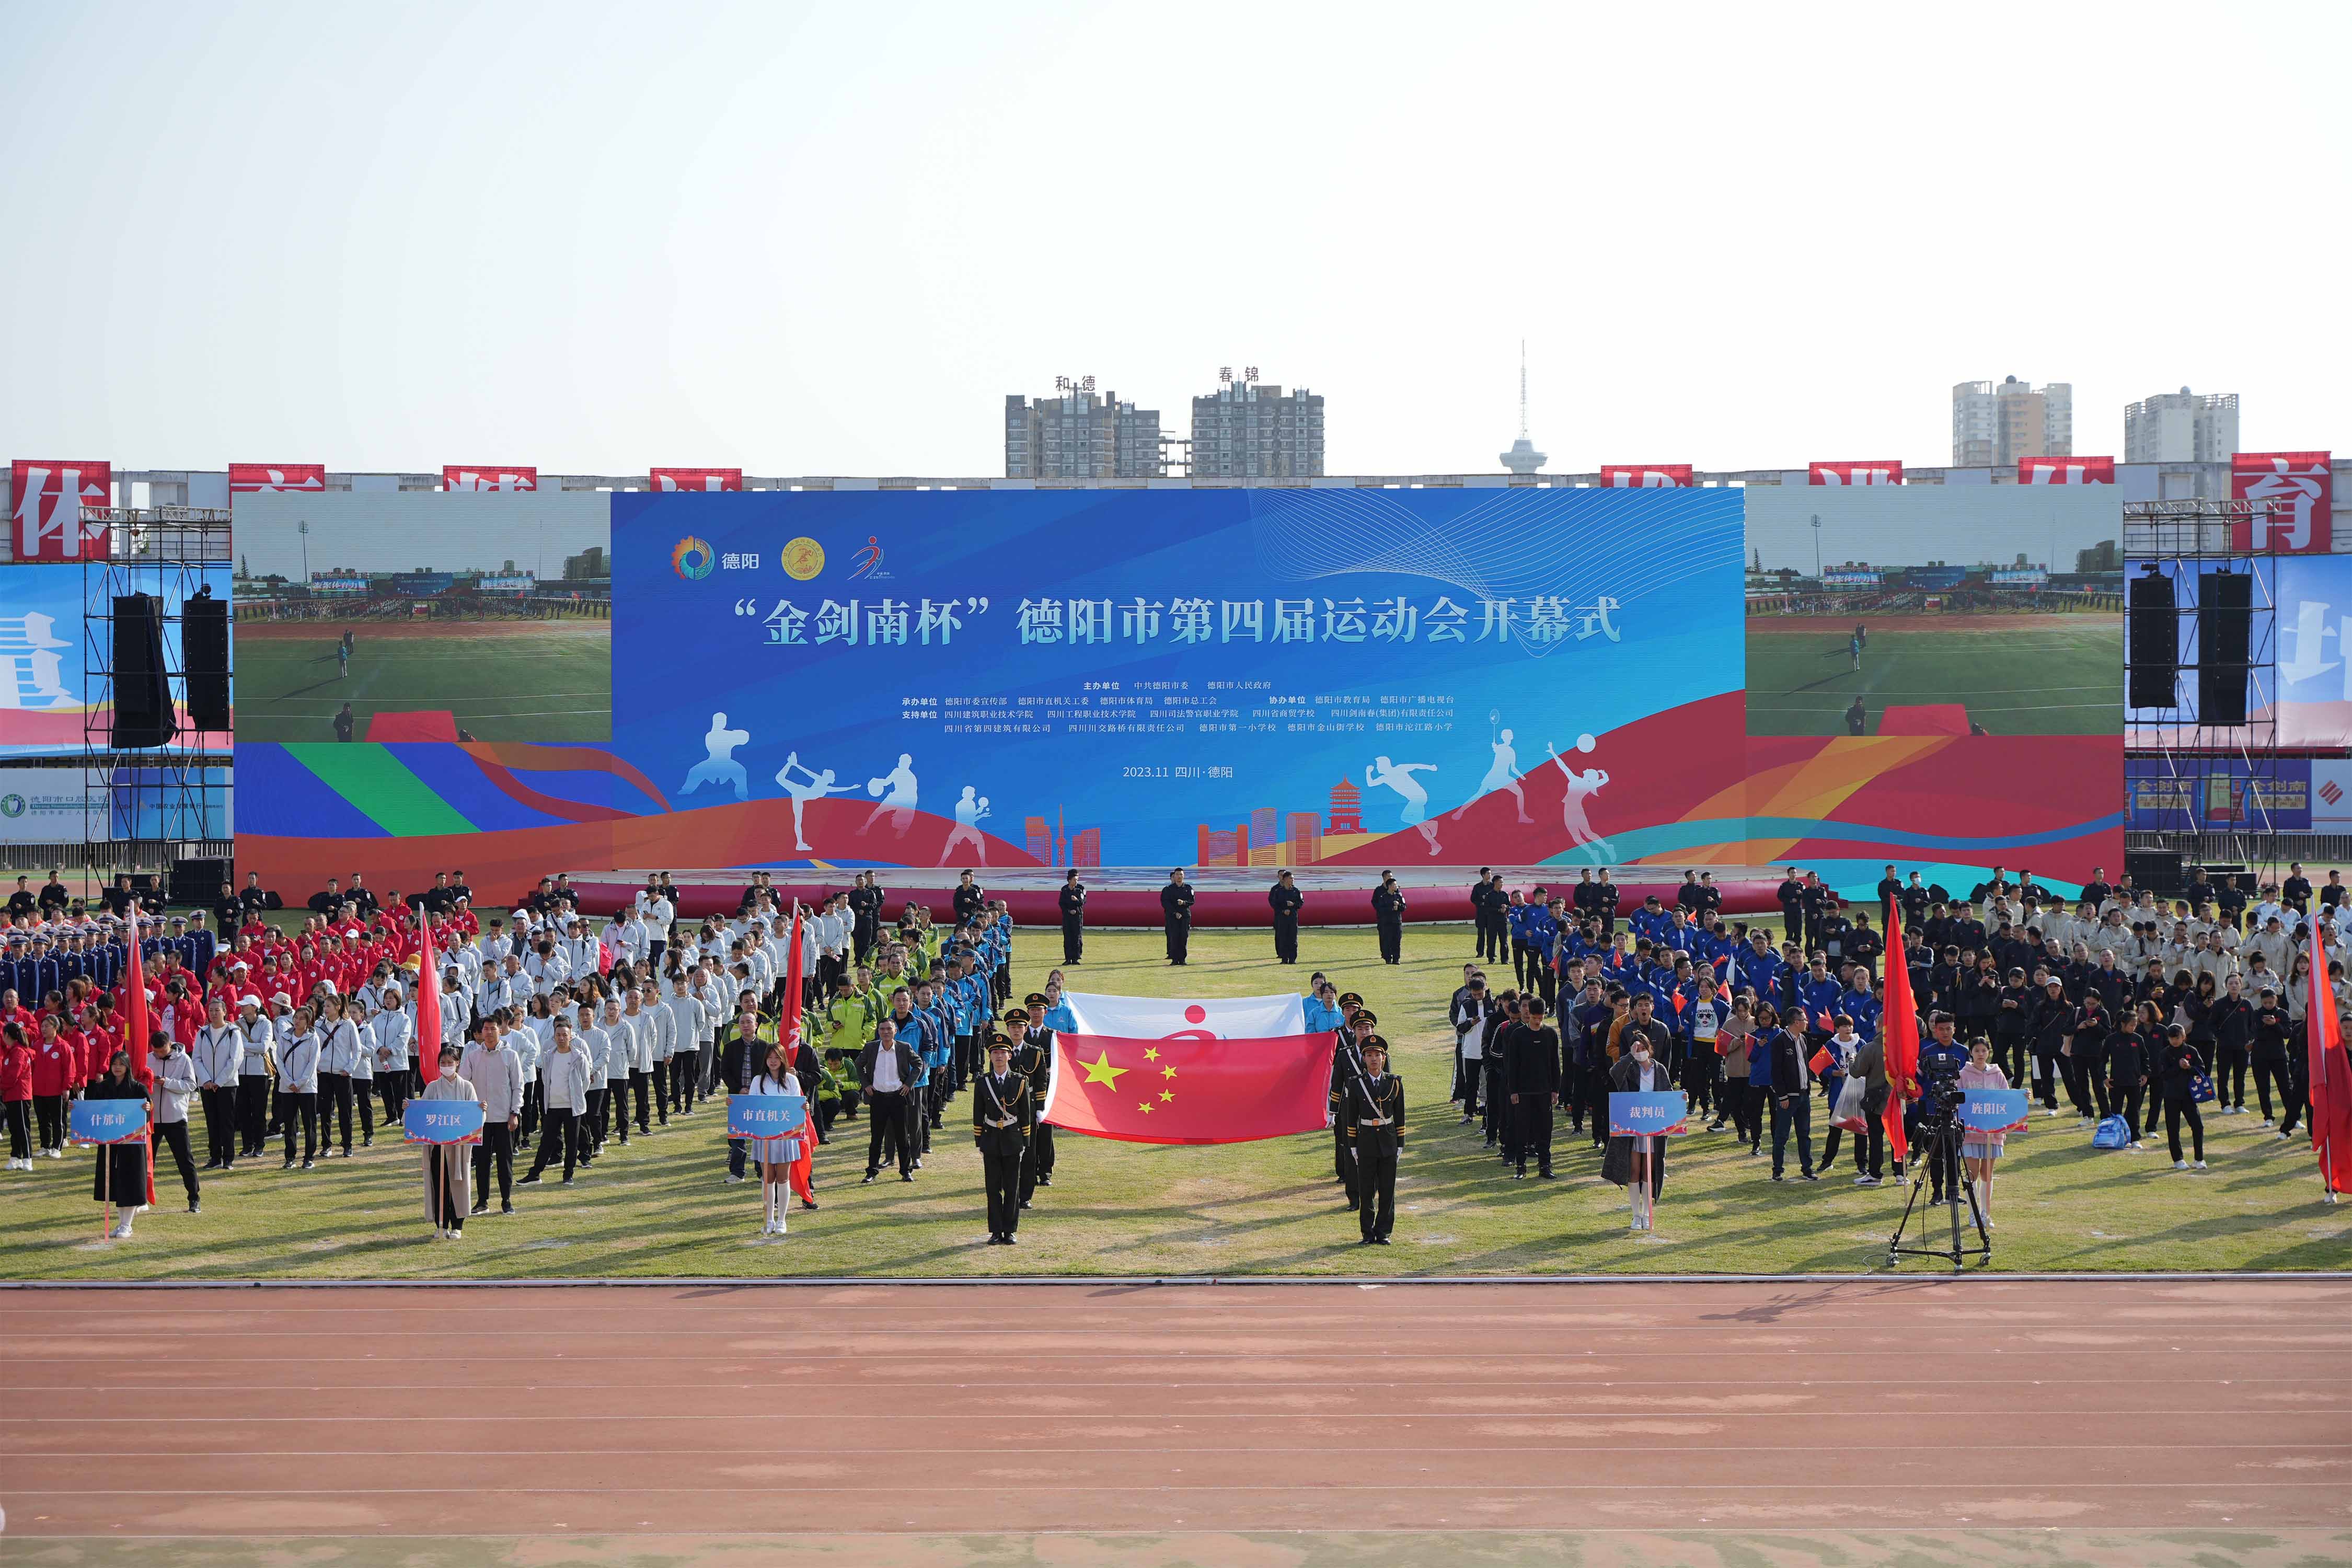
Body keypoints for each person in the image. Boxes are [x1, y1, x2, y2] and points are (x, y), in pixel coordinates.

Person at [1601, 1025, 1669, 1228]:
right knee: (1634, 1169)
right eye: (1636, 1048)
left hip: (1652, 1126)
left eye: (1642, 1048)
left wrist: (1682, 1099)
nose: (1640, 1052)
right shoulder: (1630, 1067)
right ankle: (1636, 1215)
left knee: (1650, 1170)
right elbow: (1614, 1072)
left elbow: (1668, 1093)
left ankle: (1647, 1214)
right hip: (1633, 1125)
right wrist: (1630, 1057)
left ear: (1650, 1048)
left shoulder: (1659, 1069)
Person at [1343, 1036, 1404, 1245]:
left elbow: (1400, 1116)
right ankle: (1367, 1233)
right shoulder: (1356, 1084)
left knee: (1388, 1189)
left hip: (1388, 1143)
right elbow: (1351, 1118)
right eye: (1369, 1055)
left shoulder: (1394, 1082)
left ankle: (1384, 1231)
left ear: (1384, 1058)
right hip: (1366, 1142)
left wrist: (1401, 1144)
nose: (1374, 1059)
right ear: (1364, 1059)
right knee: (1366, 1190)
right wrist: (1352, 1146)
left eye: (1377, 1055)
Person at [460, 1016, 523, 1215]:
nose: (488, 1033)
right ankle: (482, 1201)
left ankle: (506, 1200)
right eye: (485, 1029)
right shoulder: (472, 1056)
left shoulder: (510, 1055)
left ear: (500, 1030)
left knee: (505, 1161)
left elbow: (518, 1086)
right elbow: (463, 1083)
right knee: (481, 1162)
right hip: (480, 1119)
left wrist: (515, 1112)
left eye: (492, 1029)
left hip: (505, 1117)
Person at [974, 1034, 1032, 1244]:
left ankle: (1010, 1230)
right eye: (995, 1053)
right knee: (992, 1187)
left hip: (1012, 1140)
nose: (999, 1056)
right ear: (990, 1057)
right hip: (991, 1140)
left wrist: (1025, 1142)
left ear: (1009, 1056)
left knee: (1012, 1188)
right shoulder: (983, 1082)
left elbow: (1025, 1113)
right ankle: (995, 1231)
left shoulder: (1020, 1081)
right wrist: (979, 1141)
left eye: (1002, 1052)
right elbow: (978, 1113)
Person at [745, 1041, 806, 1236]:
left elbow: (797, 1107)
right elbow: (751, 1107)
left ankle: (782, 1220)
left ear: (782, 1060)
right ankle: (769, 1219)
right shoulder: (757, 1081)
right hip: (764, 1136)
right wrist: (733, 1102)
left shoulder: (791, 1080)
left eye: (777, 1057)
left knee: (782, 1178)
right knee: (767, 1178)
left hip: (785, 1136)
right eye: (770, 1058)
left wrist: (804, 1108)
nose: (773, 1061)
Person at [418, 1045, 479, 1239]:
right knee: (439, 1183)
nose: (446, 1066)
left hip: (459, 1146)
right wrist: (409, 1108)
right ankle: (441, 1225)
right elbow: (421, 1114)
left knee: (458, 1183)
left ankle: (457, 1225)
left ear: (458, 1063)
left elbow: (476, 1116)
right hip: (438, 1146)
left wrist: (481, 1110)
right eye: (443, 1063)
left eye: (450, 1063)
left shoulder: (467, 1087)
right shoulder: (432, 1087)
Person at [521, 1017, 590, 1187]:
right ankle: (535, 1174)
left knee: (572, 1141)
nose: (561, 1038)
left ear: (570, 1036)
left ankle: (568, 1174)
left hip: (572, 1107)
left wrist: (576, 1096)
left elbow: (585, 1081)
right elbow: (545, 1078)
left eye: (564, 1035)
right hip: (552, 1106)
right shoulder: (549, 1056)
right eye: (558, 1035)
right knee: (547, 1142)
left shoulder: (579, 1057)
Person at [88, 1049, 149, 1237]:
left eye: (121, 1064)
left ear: (127, 1067)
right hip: (109, 1141)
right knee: (113, 1180)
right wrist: (77, 1108)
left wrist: (147, 1108)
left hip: (131, 1142)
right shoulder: (103, 1087)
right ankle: (120, 1223)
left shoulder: (137, 1088)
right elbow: (93, 1110)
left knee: (129, 1179)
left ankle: (127, 1224)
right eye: (114, 1064)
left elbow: (146, 1114)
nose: (117, 1068)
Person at [857, 1014, 923, 1183]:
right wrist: (866, 1084)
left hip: (898, 1098)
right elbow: (858, 1065)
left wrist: (909, 1084)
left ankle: (906, 1171)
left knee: (902, 1137)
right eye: (882, 1029)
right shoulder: (871, 1048)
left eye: (889, 1029)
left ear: (895, 1031)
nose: (886, 1032)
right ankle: (872, 1171)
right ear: (878, 1032)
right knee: (876, 1138)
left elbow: (918, 1064)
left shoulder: (904, 1047)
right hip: (878, 1097)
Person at [1504, 996, 1561, 1179]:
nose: (1537, 1021)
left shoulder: (1550, 1034)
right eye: (1534, 1017)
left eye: (1540, 1017)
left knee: (1545, 1130)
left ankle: (1545, 1165)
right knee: (1522, 1129)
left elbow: (1555, 1064)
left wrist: (1556, 1090)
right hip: (1523, 1092)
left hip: (1544, 1091)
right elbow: (1512, 1066)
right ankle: (1521, 1167)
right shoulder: (1518, 1035)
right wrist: (1513, 1090)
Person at [148, 1027, 202, 1214]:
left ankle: (194, 1198)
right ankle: (141, 1198)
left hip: (176, 1117)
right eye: (155, 1051)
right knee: (147, 1162)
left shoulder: (184, 1059)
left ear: (170, 1045)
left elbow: (191, 1085)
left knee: (185, 1160)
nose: (158, 1054)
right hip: (152, 1118)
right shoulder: (148, 1058)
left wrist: (168, 1082)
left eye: (162, 1051)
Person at [1958, 1036, 2010, 1225]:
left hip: (1992, 1133)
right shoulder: (1963, 1074)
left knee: (1987, 1174)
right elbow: (1959, 1100)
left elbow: (2007, 1098)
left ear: (1989, 1052)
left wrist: (2023, 1096)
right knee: (1972, 1173)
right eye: (1977, 1051)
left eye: (1984, 1051)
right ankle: (1973, 1215)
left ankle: (1985, 1214)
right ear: (1971, 1052)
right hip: (1971, 1132)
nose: (1981, 1054)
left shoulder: (1997, 1074)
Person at [2155, 1023, 2208, 1171]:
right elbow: (2164, 1075)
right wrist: (2178, 1066)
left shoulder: (2192, 1051)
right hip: (2171, 1095)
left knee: (2198, 1126)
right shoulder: (2165, 1053)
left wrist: (2189, 1068)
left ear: (2184, 1037)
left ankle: (2199, 1159)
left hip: (2190, 1095)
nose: (2174, 1041)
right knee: (2173, 1128)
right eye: (2171, 1039)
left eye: (2177, 1038)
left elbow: (2202, 1070)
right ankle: (2178, 1159)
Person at [277, 1005, 322, 1171]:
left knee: (309, 1123)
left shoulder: (313, 1038)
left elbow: (313, 1063)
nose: (297, 1021)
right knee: (289, 1123)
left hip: (307, 1087)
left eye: (302, 1018)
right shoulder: (284, 1037)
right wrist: (289, 1082)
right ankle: (290, 1157)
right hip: (287, 1087)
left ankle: (309, 1157)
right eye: (296, 1017)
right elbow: (280, 1061)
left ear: (309, 1021)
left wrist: (300, 1082)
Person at [1160, 869, 1195, 965]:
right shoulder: (1168, 889)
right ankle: (1175, 960)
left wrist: (1184, 903)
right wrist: (1175, 913)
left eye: (1181, 875)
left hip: (1185, 917)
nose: (1179, 876)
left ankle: (1183, 959)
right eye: (1177, 875)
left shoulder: (1188, 888)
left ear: (1184, 876)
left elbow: (1192, 901)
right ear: (1174, 877)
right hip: (1172, 917)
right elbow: (1165, 903)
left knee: (1184, 937)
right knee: (1174, 937)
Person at [1268, 871, 1303, 965]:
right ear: (1285, 879)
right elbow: (1275, 904)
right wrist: (1283, 911)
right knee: (1283, 938)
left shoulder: (1296, 891)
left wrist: (1293, 904)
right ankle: (1284, 959)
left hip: (1293, 918)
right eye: (1291, 878)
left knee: (1293, 938)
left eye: (1293, 878)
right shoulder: (1278, 892)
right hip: (1282, 918)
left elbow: (1301, 903)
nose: (1292, 880)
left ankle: (1293, 960)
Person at [1370, 872, 1405, 964]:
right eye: (1390, 877)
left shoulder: (1398, 893)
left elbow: (1404, 906)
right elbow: (1376, 904)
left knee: (1397, 940)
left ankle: (1396, 959)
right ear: (1385, 878)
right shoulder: (1379, 891)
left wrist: (1399, 906)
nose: (1391, 878)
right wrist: (1389, 909)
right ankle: (1386, 956)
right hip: (1384, 920)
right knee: (1385, 939)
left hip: (1396, 921)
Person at [1058, 870, 1087, 964]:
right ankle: (1068, 959)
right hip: (1067, 917)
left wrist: (1076, 900)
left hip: (1077, 917)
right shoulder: (1065, 890)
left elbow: (1083, 902)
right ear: (1069, 880)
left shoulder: (1080, 889)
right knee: (1068, 938)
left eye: (1077, 879)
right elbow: (1061, 904)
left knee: (1077, 937)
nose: (1076, 881)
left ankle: (1076, 957)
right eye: (1075, 879)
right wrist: (1068, 911)